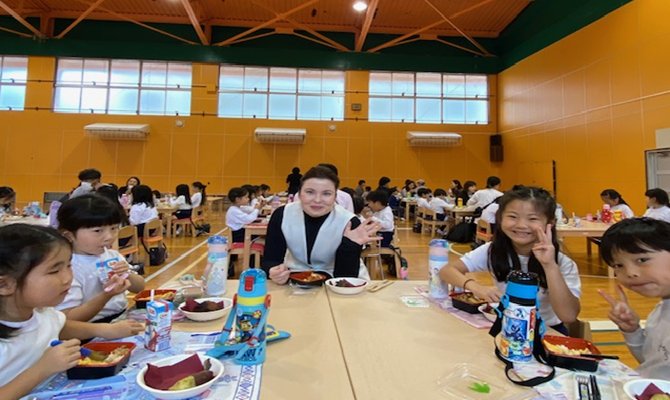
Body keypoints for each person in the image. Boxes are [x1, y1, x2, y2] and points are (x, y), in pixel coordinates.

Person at [0, 224, 143, 399]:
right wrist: (41, 369)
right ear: (4, 284)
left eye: (68, 266)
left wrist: (104, 330)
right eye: (54, 271)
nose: (68, 278)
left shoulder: (41, 312)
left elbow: (59, 325)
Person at [440, 185, 581, 334]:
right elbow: (447, 270)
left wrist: (550, 266)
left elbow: (569, 316)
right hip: (506, 328)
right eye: (512, 217)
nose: (521, 225)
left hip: (546, 332)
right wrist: (475, 287)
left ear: (551, 223)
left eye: (532, 218)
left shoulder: (563, 263)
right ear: (500, 218)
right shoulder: (493, 250)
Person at [261, 166, 381, 283]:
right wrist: (274, 271)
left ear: (335, 196)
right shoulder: (282, 215)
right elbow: (271, 259)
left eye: (326, 194)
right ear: (299, 193)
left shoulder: (348, 221)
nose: (317, 200)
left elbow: (345, 276)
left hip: (341, 281)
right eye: (310, 192)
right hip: (294, 278)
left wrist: (350, 247)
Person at [598, 218, 670, 379]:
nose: (631, 273)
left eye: (642, 260)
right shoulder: (661, 309)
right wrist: (632, 331)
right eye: (618, 266)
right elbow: (652, 364)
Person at [56, 195, 146, 323]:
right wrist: (107, 295)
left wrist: (127, 275)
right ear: (69, 235)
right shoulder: (68, 267)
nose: (109, 237)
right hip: (90, 328)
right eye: (98, 231)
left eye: (114, 228)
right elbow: (68, 319)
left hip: (121, 316)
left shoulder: (112, 255)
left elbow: (139, 287)